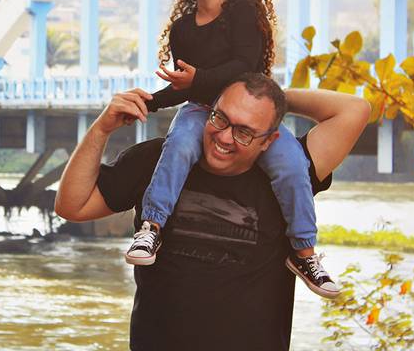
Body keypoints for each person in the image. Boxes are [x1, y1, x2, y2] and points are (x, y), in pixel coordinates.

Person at [55, 74, 370, 349]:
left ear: (269, 140)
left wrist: (265, 93)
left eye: (245, 131)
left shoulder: (290, 177)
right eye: (220, 118)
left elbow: (354, 109)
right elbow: (72, 206)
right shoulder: (159, 162)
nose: (223, 137)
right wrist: (100, 129)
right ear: (208, 108)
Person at [127, 0, 333, 298]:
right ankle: (152, 226)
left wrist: (197, 80)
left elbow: (245, 68)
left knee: (292, 165)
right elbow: (187, 86)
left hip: (250, 112)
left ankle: (303, 252)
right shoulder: (182, 30)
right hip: (201, 109)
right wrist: (153, 100)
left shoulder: (244, 15)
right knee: (177, 145)